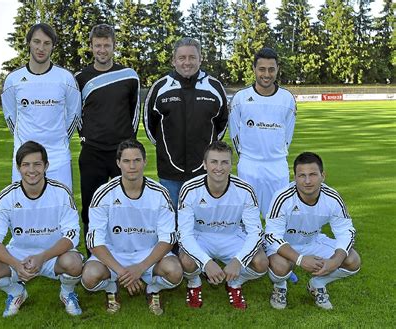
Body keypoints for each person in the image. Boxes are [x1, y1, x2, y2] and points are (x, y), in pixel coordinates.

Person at [0, 141, 83, 317]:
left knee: (74, 263)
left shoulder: (61, 192)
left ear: (46, 166)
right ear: (18, 168)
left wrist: (42, 257)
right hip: (18, 256)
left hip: (52, 256)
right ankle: (16, 291)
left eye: (37, 164)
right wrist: (16, 265)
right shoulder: (7, 196)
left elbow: (72, 235)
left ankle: (67, 292)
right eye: (26, 165)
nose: (31, 170)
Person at [81, 139, 182, 316]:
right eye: (126, 161)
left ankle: (153, 288)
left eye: (137, 160)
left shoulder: (160, 193)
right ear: (118, 163)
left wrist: (140, 268)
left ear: (145, 161)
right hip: (114, 254)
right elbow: (94, 241)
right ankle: (112, 287)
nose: (132, 166)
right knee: (89, 277)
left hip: (147, 253)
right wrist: (123, 273)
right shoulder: (103, 194)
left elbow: (167, 239)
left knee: (175, 272)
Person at [178, 141, 268, 310]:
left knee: (261, 262)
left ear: (231, 165)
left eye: (224, 162)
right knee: (186, 261)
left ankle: (235, 282)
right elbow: (184, 235)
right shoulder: (189, 189)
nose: (219, 167)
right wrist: (206, 263)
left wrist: (238, 261)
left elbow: (255, 233)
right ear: (204, 164)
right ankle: (194, 282)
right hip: (201, 236)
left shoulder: (245, 190)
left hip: (232, 235)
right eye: (214, 162)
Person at [265, 152, 361, 310]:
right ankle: (280, 286)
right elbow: (272, 236)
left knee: (352, 260)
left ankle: (317, 284)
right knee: (280, 266)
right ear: (294, 177)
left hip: (313, 241)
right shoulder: (282, 197)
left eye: (313, 174)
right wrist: (300, 259)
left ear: (323, 175)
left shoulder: (332, 198)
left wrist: (335, 261)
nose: (307, 181)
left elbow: (346, 231)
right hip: (284, 244)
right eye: (302, 175)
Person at [74, 24, 140, 250]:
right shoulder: (80, 78)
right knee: (92, 207)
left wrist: (128, 144)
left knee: (126, 205)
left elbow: (135, 112)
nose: (102, 50)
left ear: (114, 46)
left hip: (122, 154)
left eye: (107, 45)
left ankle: (127, 250)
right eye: (98, 45)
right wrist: (85, 137)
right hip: (92, 152)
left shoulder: (129, 76)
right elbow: (76, 113)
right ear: (91, 46)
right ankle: (94, 253)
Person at [144, 37, 228, 209]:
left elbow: (221, 125)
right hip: (169, 174)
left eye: (192, 57)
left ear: (200, 59)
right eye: (182, 58)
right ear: (174, 60)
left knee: (202, 223)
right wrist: (165, 149)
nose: (187, 62)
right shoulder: (161, 87)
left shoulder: (214, 87)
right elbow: (150, 126)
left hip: (205, 173)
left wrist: (208, 154)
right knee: (171, 224)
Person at [2, 23, 81, 190]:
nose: (41, 48)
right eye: (36, 42)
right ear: (29, 43)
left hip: (58, 159)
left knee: (61, 210)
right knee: (23, 212)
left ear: (53, 47)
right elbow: (10, 117)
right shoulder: (13, 80)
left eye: (47, 43)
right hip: (24, 160)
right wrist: (25, 142)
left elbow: (74, 115)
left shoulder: (66, 79)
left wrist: (58, 138)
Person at [228, 47, 296, 217]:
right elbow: (234, 133)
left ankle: (274, 243)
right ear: (254, 69)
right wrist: (245, 156)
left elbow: (288, 134)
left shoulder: (287, 99)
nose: (267, 74)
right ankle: (253, 244)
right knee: (247, 215)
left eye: (271, 69)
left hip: (277, 164)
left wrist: (276, 152)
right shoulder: (241, 98)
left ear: (277, 70)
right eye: (262, 69)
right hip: (249, 165)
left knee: (278, 214)